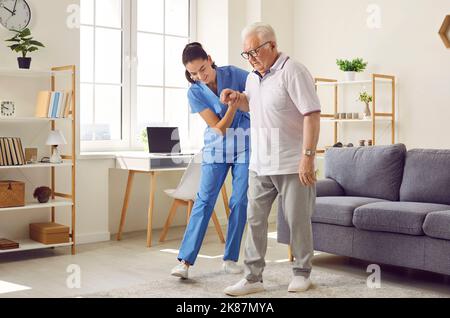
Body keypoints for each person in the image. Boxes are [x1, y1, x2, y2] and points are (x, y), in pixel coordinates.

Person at [221, 23, 321, 296]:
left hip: (292, 161)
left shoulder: (293, 71)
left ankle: (302, 272)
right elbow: (253, 105)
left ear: (272, 46)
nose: (250, 58)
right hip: (260, 162)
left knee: (297, 219)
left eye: (254, 51)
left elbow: (311, 115)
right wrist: (237, 98)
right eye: (246, 53)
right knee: (254, 220)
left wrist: (308, 158)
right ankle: (253, 278)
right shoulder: (253, 78)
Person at [170, 42, 251, 280]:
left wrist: (240, 99)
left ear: (210, 58)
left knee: (239, 201)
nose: (200, 76)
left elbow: (260, 91)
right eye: (193, 73)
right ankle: (185, 262)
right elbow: (217, 127)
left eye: (203, 69)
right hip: (216, 147)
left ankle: (230, 259)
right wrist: (233, 108)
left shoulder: (235, 74)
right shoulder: (194, 91)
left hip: (246, 145)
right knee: (204, 201)